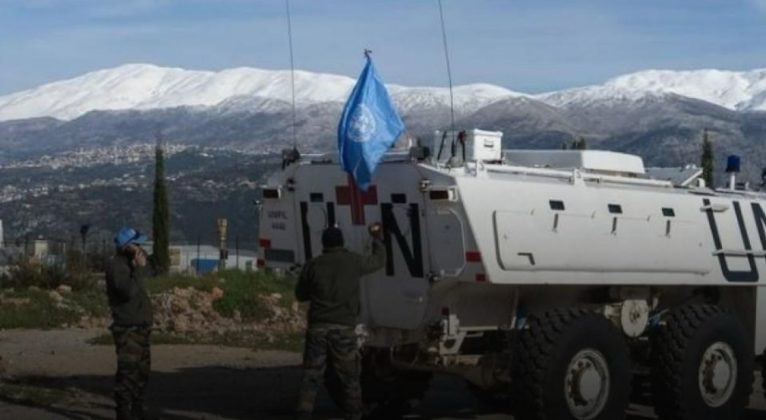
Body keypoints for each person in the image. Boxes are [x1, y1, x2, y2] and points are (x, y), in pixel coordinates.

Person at [295, 223, 385, 420]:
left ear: (324, 243)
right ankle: (353, 414)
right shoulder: (353, 262)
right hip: (343, 329)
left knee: (311, 376)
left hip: (318, 328)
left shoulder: (313, 265)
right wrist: (377, 238)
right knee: (350, 378)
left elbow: (300, 295)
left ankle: (303, 413)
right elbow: (378, 262)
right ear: (341, 242)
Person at [106, 227, 153, 420]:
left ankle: (137, 412)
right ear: (127, 246)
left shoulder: (130, 265)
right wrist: (138, 269)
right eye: (137, 244)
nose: (140, 248)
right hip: (128, 329)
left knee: (141, 374)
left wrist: (140, 266)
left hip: (140, 327)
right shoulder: (117, 267)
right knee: (127, 375)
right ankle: (123, 414)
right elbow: (127, 292)